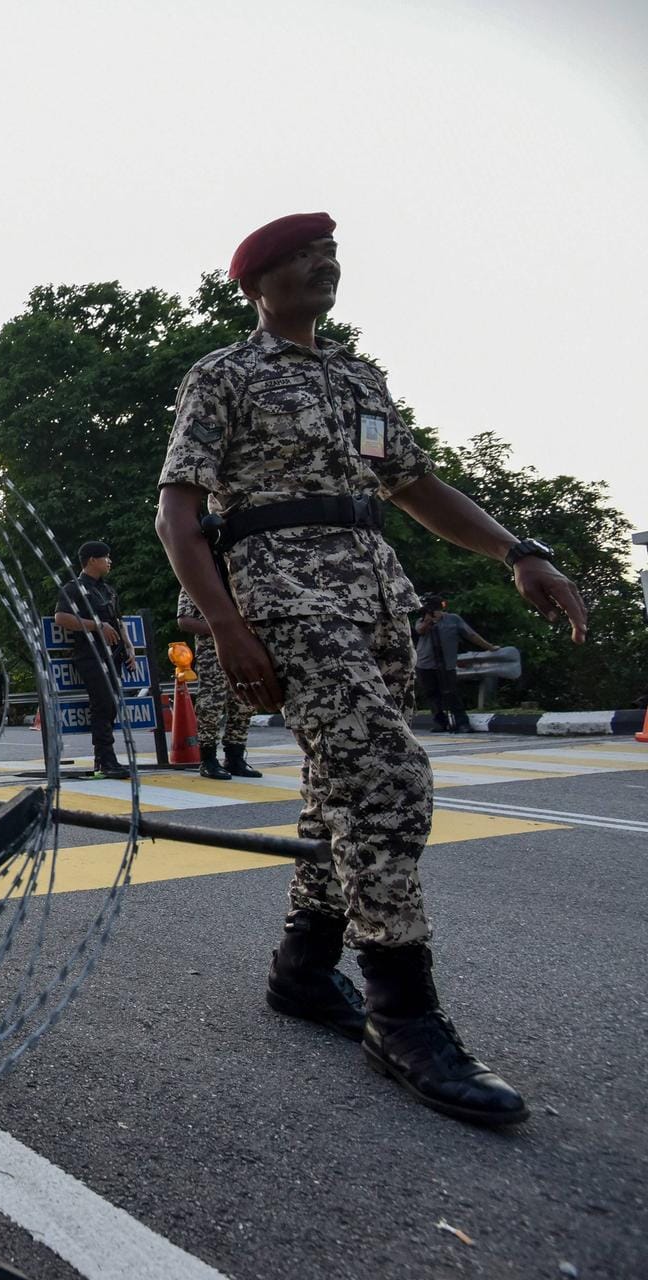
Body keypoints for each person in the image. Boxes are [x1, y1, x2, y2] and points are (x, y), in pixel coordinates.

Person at [156, 211, 587, 1127]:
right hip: (282, 597)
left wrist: (519, 551)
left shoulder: (359, 378)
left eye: (332, 258)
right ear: (257, 283)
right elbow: (179, 516)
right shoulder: (224, 375)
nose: (325, 267)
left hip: (376, 594)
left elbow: (415, 486)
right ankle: (402, 1013)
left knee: (339, 791)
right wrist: (227, 624)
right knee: (389, 779)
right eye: (305, 259)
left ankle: (304, 971)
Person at [53, 541, 135, 780]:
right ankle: (105, 759)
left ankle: (106, 758)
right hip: (91, 655)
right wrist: (96, 626)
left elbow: (119, 620)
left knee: (111, 705)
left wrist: (129, 647)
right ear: (92, 560)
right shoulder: (74, 588)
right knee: (104, 703)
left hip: (113, 656)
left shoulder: (108, 589)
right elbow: (61, 617)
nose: (109, 561)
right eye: (105, 557)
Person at [176, 587, 261, 781]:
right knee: (211, 706)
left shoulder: (235, 580)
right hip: (212, 653)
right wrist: (220, 629)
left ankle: (235, 758)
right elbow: (183, 620)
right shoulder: (195, 579)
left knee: (243, 704)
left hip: (240, 651)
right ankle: (208, 760)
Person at [415, 593, 495, 733]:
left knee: (452, 693)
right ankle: (440, 723)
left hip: (447, 664)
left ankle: (462, 723)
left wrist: (490, 647)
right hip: (425, 664)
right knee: (432, 695)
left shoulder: (453, 619)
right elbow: (420, 631)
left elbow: (471, 634)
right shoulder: (421, 621)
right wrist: (429, 620)